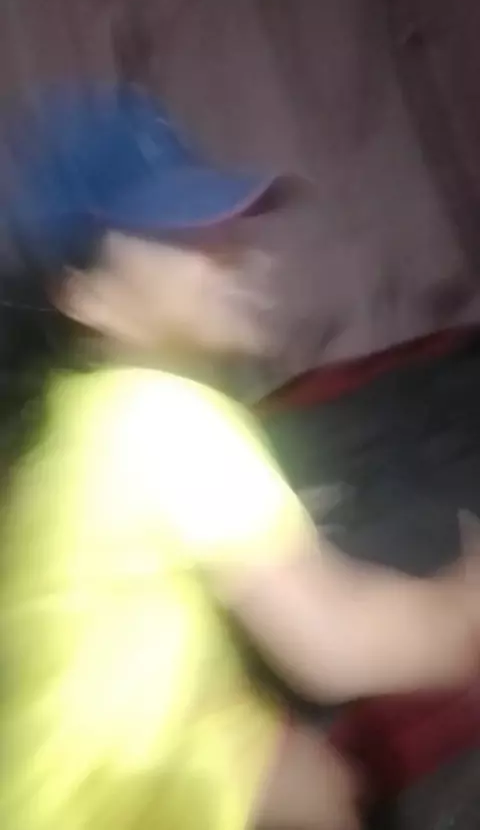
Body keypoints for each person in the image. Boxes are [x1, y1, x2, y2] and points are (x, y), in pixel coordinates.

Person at [1, 83, 479, 830]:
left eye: (224, 220)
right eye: (178, 232)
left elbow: (125, 691)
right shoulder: (161, 416)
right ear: (87, 295)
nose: (230, 251)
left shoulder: (69, 437)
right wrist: (464, 605)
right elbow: (339, 642)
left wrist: (282, 765)